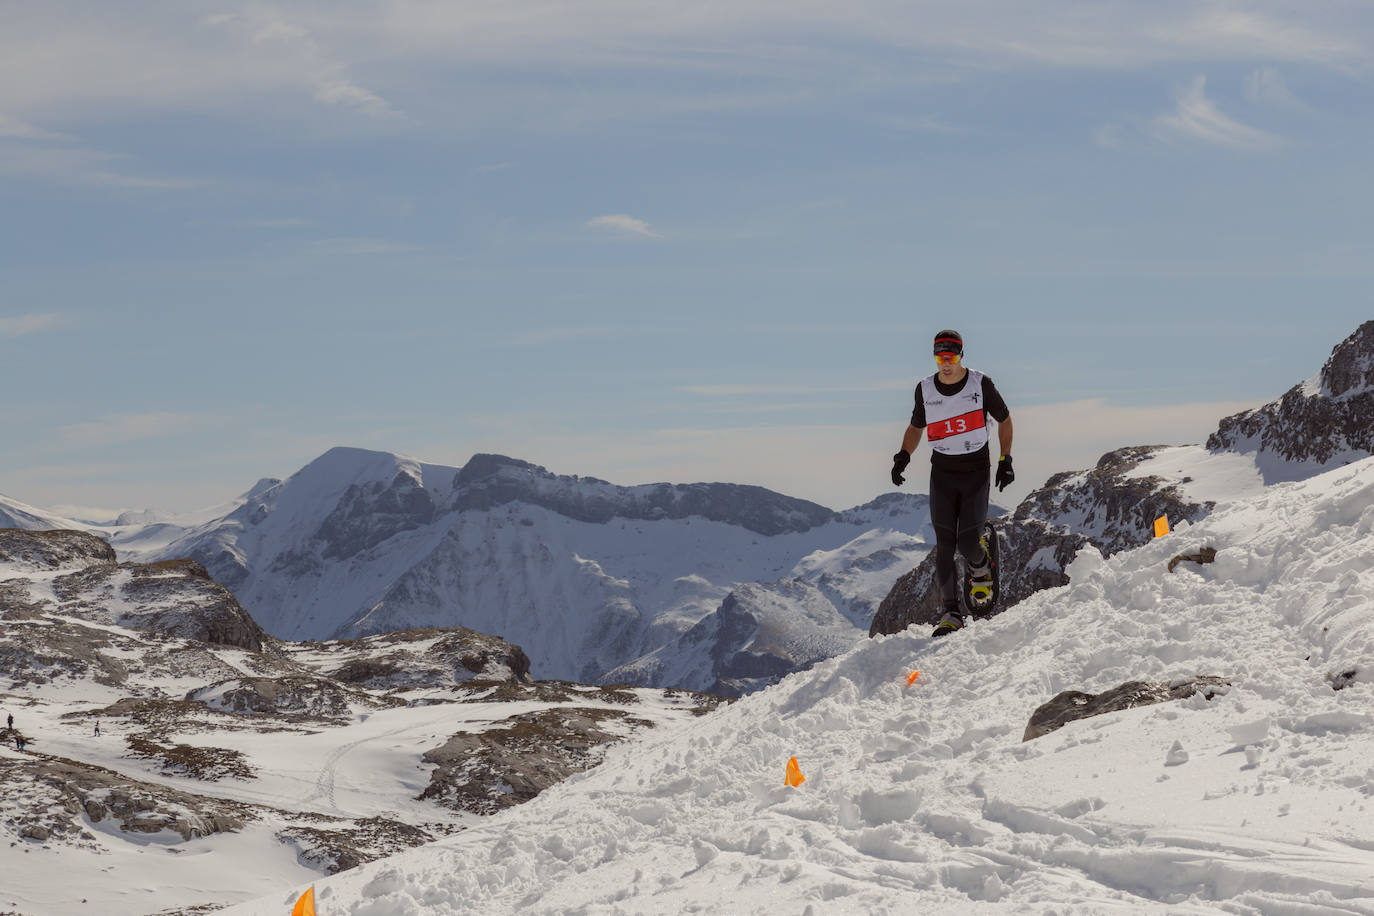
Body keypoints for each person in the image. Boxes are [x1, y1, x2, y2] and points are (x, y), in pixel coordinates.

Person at [891, 329, 1014, 636]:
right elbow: (916, 427)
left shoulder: (980, 384)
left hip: (975, 470)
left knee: (968, 542)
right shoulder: (925, 389)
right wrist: (903, 456)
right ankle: (952, 614)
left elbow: (1005, 419)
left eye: (951, 357)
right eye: (940, 357)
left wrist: (1005, 460)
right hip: (942, 472)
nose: (945, 364)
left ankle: (981, 564)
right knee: (945, 545)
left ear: (961, 356)